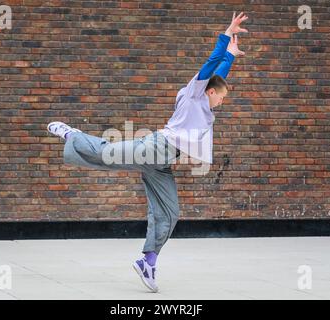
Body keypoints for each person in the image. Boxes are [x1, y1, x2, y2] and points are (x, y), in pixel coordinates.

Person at [47, 12, 248, 293]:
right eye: (222, 97)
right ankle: (72, 135)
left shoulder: (205, 102)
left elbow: (220, 73)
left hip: (163, 161)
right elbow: (211, 66)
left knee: (170, 212)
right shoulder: (194, 94)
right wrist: (225, 36)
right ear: (210, 92)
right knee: (108, 155)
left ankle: (148, 261)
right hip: (156, 147)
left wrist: (232, 56)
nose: (222, 103)